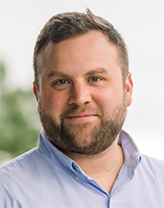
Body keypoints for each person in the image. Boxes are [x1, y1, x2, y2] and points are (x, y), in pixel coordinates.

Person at [0, 9, 164, 208]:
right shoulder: (6, 193)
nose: (79, 98)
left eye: (95, 79)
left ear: (127, 88)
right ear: (38, 94)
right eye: (61, 82)